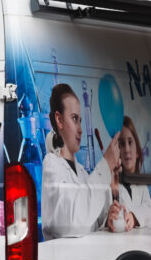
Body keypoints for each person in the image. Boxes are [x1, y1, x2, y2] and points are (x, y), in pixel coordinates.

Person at [42, 83, 121, 240]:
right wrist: (105, 165)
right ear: (59, 120)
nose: (80, 129)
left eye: (80, 121)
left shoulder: (82, 173)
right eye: (74, 119)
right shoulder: (52, 164)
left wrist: (110, 216)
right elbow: (73, 221)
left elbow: (93, 221)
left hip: (87, 259)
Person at [111, 116, 151, 232]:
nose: (127, 149)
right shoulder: (112, 185)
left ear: (137, 152)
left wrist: (133, 217)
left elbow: (150, 210)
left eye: (130, 142)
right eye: (122, 144)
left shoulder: (141, 185)